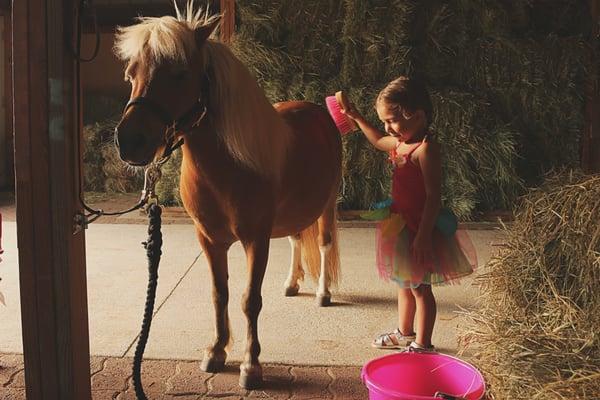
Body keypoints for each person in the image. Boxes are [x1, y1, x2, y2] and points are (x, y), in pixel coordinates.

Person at [342, 76, 477, 351]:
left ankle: (423, 344)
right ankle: (404, 332)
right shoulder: (399, 142)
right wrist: (355, 117)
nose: (387, 128)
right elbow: (378, 140)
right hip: (402, 226)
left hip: (420, 229)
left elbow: (433, 197)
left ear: (417, 115)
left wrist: (424, 237)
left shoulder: (425, 149)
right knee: (404, 283)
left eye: (391, 120)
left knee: (420, 289)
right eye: (384, 121)